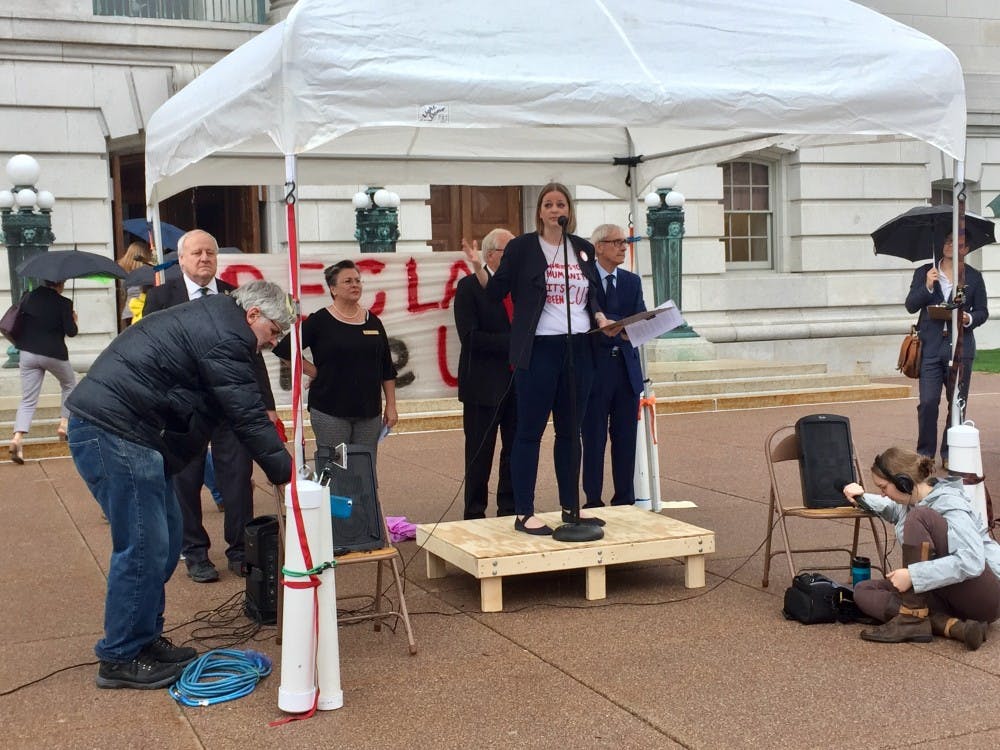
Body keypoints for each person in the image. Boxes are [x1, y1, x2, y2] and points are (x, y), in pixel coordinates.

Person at [66, 280, 293, 689]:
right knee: (143, 548)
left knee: (167, 543)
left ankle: (145, 641)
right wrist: (287, 474)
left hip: (131, 432)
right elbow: (246, 414)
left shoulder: (220, 321)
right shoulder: (228, 334)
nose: (272, 343)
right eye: (274, 332)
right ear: (254, 315)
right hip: (116, 430)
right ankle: (120, 656)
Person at [462, 182, 618, 535]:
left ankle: (571, 508)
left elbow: (591, 293)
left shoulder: (580, 249)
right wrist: (478, 268)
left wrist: (600, 318)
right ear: (539, 211)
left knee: (570, 433)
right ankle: (524, 512)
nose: (554, 209)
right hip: (539, 349)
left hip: (579, 347)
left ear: (568, 210)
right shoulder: (522, 248)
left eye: (560, 204)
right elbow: (498, 291)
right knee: (529, 432)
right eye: (547, 204)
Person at [143, 229, 279, 583]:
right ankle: (196, 552)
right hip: (183, 406)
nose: (205, 259)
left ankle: (240, 549)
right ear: (182, 259)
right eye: (197, 253)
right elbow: (150, 349)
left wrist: (266, 403)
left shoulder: (236, 296)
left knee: (237, 478)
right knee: (185, 480)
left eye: (211, 253)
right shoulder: (160, 297)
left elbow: (253, 353)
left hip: (230, 402)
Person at [842, 446, 1000, 650]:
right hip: (947, 593)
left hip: (985, 597)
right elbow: (890, 510)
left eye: (883, 488)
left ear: (903, 482)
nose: (882, 495)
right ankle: (952, 627)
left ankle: (912, 619)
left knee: (919, 516)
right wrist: (861, 497)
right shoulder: (912, 500)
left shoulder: (949, 503)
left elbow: (972, 561)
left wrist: (913, 575)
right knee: (863, 591)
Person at [272, 259, 398, 463]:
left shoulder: (373, 321)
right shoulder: (320, 321)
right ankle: (335, 497)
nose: (355, 285)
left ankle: (365, 497)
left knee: (364, 467)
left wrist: (391, 405)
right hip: (330, 411)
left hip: (368, 412)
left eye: (358, 280)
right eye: (348, 281)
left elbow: (386, 367)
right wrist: (314, 372)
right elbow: (286, 350)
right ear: (333, 289)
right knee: (336, 468)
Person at [905, 232, 988, 466]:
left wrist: (969, 318)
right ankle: (925, 454)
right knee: (928, 402)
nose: (951, 246)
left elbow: (983, 311)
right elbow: (911, 305)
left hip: (960, 348)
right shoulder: (925, 272)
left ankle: (949, 453)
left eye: (958, 243)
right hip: (930, 347)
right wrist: (928, 286)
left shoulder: (973, 276)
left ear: (966, 248)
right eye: (948, 241)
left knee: (957, 403)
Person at [582, 224, 646, 507]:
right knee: (593, 440)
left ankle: (625, 500)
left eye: (626, 241)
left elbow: (640, 320)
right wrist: (616, 323)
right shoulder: (585, 278)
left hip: (626, 370)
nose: (623, 247)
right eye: (617, 242)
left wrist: (618, 326)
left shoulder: (632, 281)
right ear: (599, 247)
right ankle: (592, 501)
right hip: (594, 371)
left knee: (625, 441)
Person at [455, 228, 516, 519]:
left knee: (515, 452)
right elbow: (471, 338)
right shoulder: (469, 287)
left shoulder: (521, 288)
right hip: (483, 386)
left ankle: (510, 509)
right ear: (491, 254)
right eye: (509, 251)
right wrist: (514, 343)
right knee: (480, 455)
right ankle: (475, 513)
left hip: (519, 384)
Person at [9, 279, 78, 463]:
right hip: (54, 354)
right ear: (60, 283)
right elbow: (71, 332)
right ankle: (64, 424)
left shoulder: (28, 298)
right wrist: (73, 318)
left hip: (28, 353)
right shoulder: (64, 303)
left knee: (28, 399)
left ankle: (17, 438)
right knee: (69, 384)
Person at [118, 239, 151, 327]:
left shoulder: (123, 271)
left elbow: (123, 293)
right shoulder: (147, 271)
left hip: (128, 312)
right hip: (142, 309)